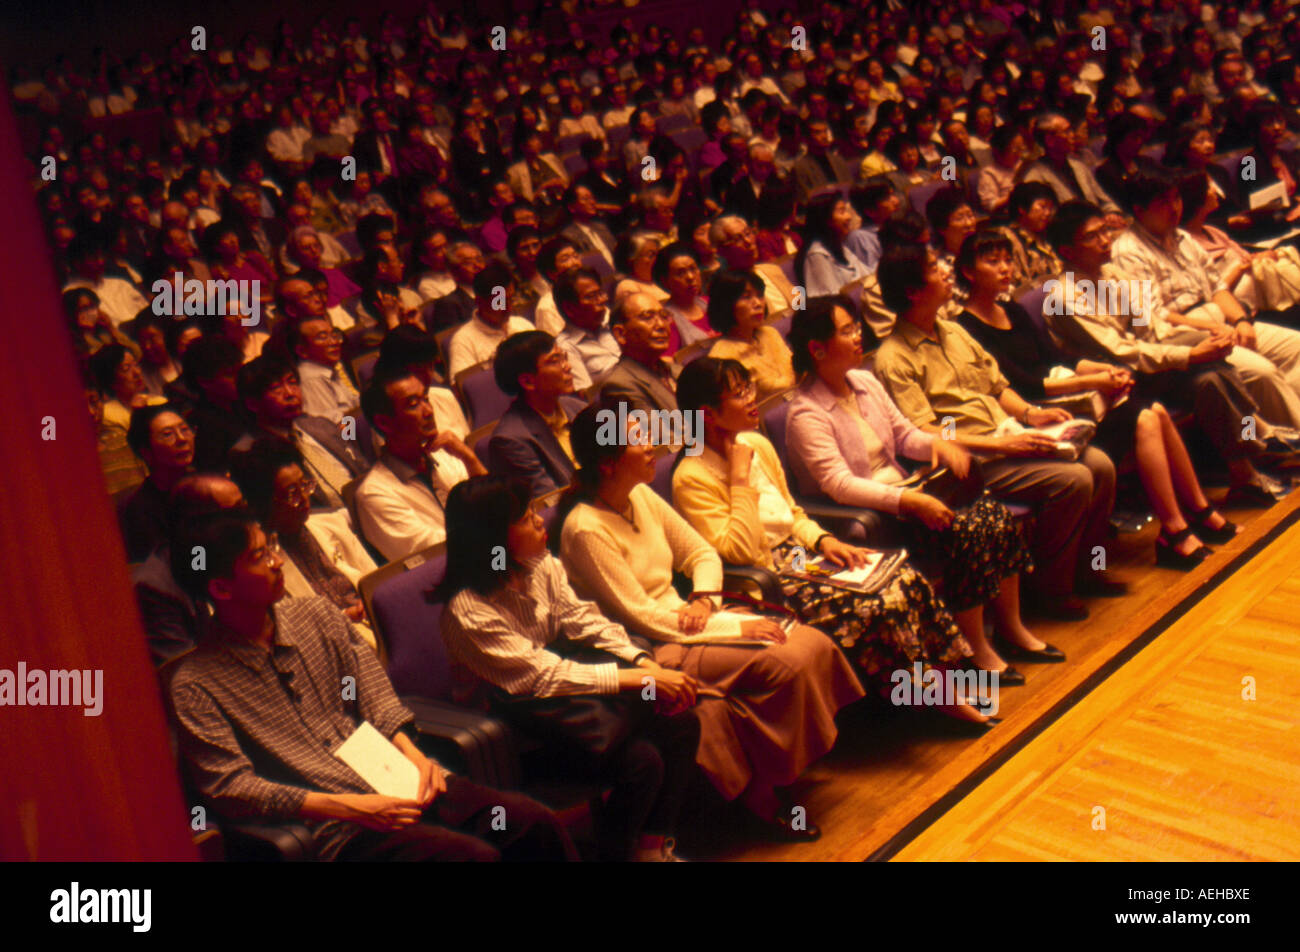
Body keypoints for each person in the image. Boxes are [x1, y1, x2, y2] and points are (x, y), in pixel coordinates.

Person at [165, 510, 577, 862]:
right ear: (220, 587)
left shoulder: (317, 615)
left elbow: (374, 696)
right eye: (260, 557)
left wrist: (415, 757)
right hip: (338, 829)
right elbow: (231, 787)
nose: (277, 562)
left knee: (531, 823)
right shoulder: (197, 684)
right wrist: (353, 808)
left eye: (272, 547)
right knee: (472, 857)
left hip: (403, 780)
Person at [556, 397, 865, 837]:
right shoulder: (585, 528)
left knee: (811, 643)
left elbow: (700, 551)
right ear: (606, 463)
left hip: (689, 622)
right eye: (637, 440)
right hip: (649, 648)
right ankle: (766, 791)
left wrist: (705, 599)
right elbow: (640, 616)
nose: (650, 448)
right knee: (784, 659)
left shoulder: (639, 493)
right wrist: (734, 626)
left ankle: (768, 779)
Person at [675, 357, 1000, 724]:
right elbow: (741, 552)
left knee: (904, 579)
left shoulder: (755, 443)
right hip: (766, 579)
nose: (752, 399)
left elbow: (793, 512)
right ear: (708, 414)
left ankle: (944, 683)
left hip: (801, 555)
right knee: (879, 603)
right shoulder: (691, 477)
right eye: (738, 394)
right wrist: (738, 480)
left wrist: (824, 541)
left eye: (749, 387)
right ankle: (928, 699)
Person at [785, 298, 1055, 676]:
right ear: (817, 349)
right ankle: (974, 649)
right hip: (873, 515)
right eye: (846, 331)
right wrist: (907, 501)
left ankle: (1011, 627)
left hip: (909, 491)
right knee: (966, 529)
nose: (858, 335)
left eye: (856, 327)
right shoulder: (805, 414)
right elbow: (839, 485)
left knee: (991, 512)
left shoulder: (863, 381)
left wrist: (940, 445)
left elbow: (905, 434)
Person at [438, 476, 700, 861]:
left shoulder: (539, 563)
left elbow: (584, 621)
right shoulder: (467, 612)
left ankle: (651, 847)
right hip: (517, 732)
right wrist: (639, 679)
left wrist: (644, 662)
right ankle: (621, 853)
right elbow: (540, 675)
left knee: (680, 722)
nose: (541, 521)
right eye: (527, 519)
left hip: (571, 708)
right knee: (642, 761)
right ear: (494, 539)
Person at [956, 228, 1240, 568]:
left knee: (1156, 412)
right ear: (968, 272)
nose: (1005, 268)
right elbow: (1021, 385)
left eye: (1007, 260)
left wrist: (1106, 372)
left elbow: (1057, 360)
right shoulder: (966, 327)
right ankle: (1176, 529)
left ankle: (1196, 512)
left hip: (1068, 398)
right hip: (1037, 414)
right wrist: (1093, 381)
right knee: (1147, 416)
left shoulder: (1012, 310)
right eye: (993, 262)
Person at [874, 244, 1122, 620]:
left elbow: (995, 385)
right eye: (932, 267)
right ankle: (1050, 590)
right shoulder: (893, 357)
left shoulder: (953, 330)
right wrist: (1003, 443)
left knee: (1101, 465)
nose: (945, 270)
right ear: (912, 291)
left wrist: (1031, 413)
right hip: (974, 460)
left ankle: (1087, 570)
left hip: (1008, 434)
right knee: (1073, 480)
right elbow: (925, 431)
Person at [1044, 200, 1293, 508]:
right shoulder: (1063, 296)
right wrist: (1188, 356)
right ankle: (1253, 456)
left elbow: (1152, 329)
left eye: (1105, 231)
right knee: (1208, 377)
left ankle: (1247, 468)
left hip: (1146, 361)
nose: (1105, 241)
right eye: (1091, 237)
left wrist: (1206, 338)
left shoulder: (1112, 273)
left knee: (1213, 365)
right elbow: (1122, 351)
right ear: (1067, 251)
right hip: (1112, 378)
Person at [1111, 167, 1300, 433]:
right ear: (1140, 212)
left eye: (1175, 199)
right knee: (1263, 373)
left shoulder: (1183, 237)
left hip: (1221, 319)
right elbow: (1154, 316)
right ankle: (1289, 441)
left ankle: (1287, 427)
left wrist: (1241, 320)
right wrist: (1213, 328)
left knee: (1296, 346)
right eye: (1162, 203)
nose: (1174, 208)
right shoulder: (1128, 253)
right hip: (1183, 334)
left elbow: (1217, 287)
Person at [229, 439, 378, 648]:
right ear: (264, 502)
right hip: (325, 647)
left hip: (376, 622)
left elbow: (376, 580)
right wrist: (344, 618)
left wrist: (372, 602)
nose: (305, 499)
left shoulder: (332, 524)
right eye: (292, 494)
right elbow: (285, 631)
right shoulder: (261, 561)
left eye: (305, 485)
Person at [355, 366, 488, 561]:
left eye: (426, 398)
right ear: (384, 423)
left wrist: (470, 458)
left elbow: (501, 508)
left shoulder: (448, 455)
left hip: (493, 559)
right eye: (413, 404)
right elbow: (435, 552)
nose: (428, 411)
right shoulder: (374, 495)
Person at [133, 473, 246, 665]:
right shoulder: (155, 589)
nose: (247, 522)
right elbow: (185, 672)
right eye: (236, 514)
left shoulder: (204, 555)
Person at [489, 331, 586, 498]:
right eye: (555, 361)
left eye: (564, 358)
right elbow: (551, 502)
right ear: (528, 381)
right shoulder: (510, 440)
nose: (567, 366)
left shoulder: (577, 407)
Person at [118, 404, 196, 561]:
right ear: (145, 451)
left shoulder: (212, 484)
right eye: (168, 434)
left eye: (184, 430)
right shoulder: (141, 508)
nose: (181, 439)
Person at [704, 270, 795, 401]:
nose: (758, 304)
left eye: (760, 295)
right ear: (726, 305)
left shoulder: (769, 333)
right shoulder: (722, 357)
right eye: (746, 297)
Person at [445, 261, 536, 380]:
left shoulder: (522, 324)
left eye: (510, 299)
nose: (508, 308)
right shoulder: (463, 341)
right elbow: (463, 387)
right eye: (499, 302)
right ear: (479, 302)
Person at [600, 293, 680, 416]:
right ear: (621, 334)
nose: (661, 325)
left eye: (664, 316)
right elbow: (659, 434)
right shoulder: (619, 386)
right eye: (647, 317)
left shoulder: (677, 370)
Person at [796, 192, 872, 299]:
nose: (849, 216)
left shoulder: (838, 246)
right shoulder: (817, 255)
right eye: (842, 211)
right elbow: (829, 299)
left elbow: (868, 276)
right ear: (825, 219)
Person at [653, 242, 715, 356]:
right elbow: (669, 362)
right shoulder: (666, 320)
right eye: (680, 273)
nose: (691, 277)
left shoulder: (710, 302)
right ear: (665, 281)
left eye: (693, 269)